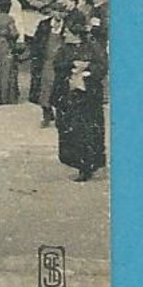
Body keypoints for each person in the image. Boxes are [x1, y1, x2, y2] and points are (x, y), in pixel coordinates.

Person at [53, 14, 108, 181]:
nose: (64, 35)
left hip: (88, 96)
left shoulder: (92, 47)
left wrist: (87, 70)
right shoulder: (64, 49)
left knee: (88, 130)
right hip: (69, 95)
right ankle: (77, 163)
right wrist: (71, 65)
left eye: (68, 32)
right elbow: (57, 66)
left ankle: (87, 166)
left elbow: (103, 66)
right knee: (70, 130)